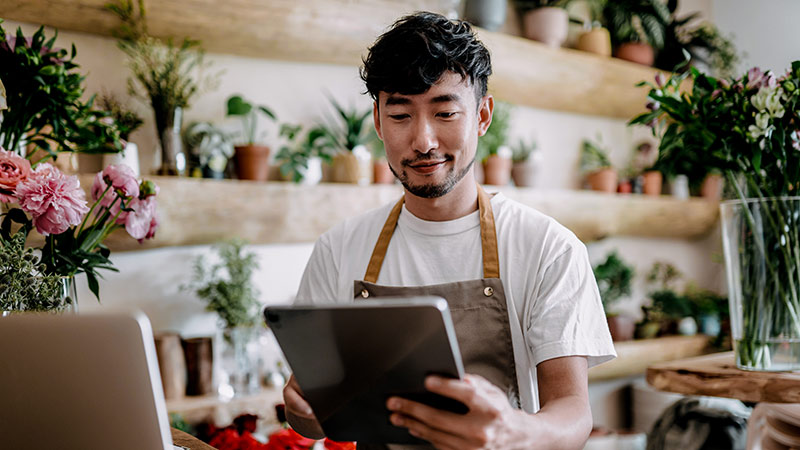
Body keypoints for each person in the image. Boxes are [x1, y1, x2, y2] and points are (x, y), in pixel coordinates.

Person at [283, 11, 616, 450]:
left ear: (481, 116)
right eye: (400, 115)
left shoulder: (549, 248)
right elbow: (311, 423)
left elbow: (573, 413)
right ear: (379, 123)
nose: (422, 140)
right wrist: (301, 407)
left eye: (444, 113)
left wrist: (511, 432)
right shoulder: (338, 249)